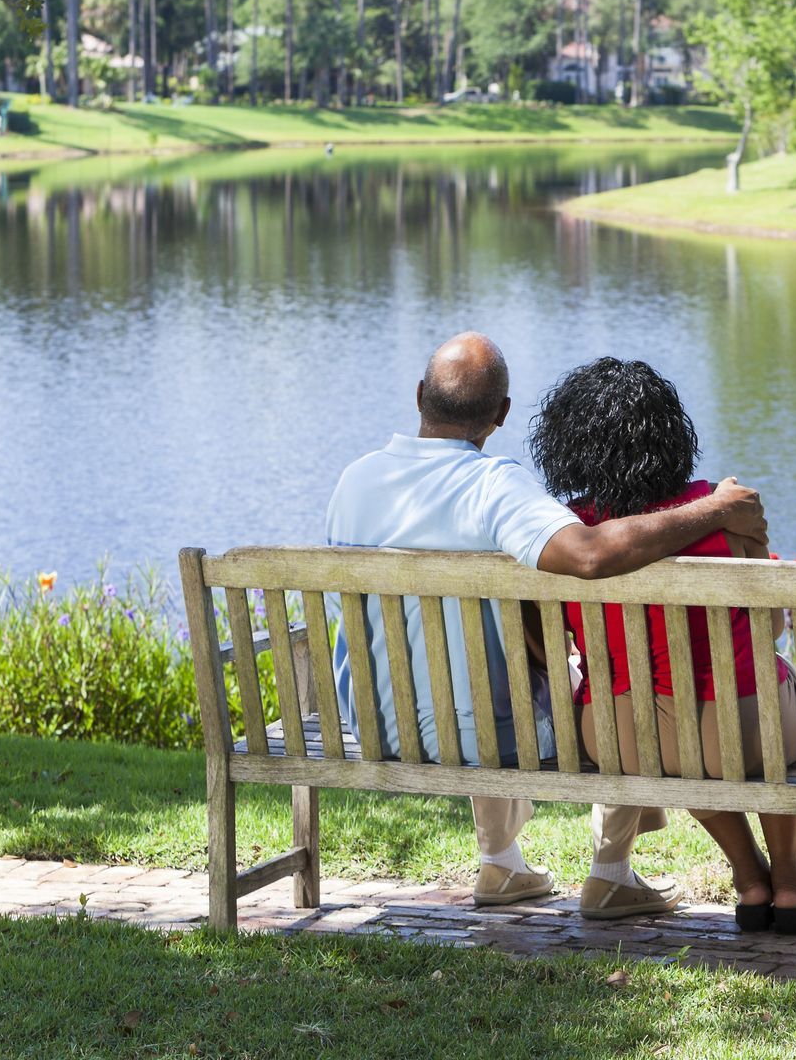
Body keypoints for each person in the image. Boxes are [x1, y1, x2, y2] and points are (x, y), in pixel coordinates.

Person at [325, 332, 771, 920]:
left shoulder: (354, 481)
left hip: (376, 723)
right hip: (477, 731)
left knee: (480, 665)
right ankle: (610, 874)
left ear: (419, 396)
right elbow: (588, 554)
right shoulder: (491, 485)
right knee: (611, 681)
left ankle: (502, 862)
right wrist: (713, 508)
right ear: (502, 414)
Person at [528, 357, 796, 934]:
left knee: (673, 730)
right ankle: (789, 883)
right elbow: (768, 631)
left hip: (615, 735)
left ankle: (749, 880)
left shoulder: (567, 530)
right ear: (670, 434)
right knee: (764, 687)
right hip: (733, 732)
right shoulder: (726, 513)